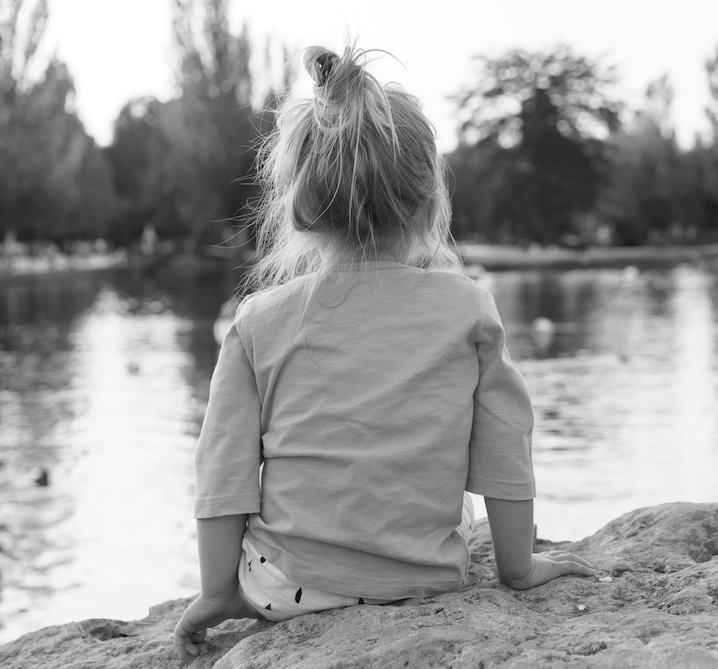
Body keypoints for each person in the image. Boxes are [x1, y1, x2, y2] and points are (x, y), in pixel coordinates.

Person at [173, 43, 594, 661]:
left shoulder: (258, 320)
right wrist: (518, 568)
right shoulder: (466, 308)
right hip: (423, 580)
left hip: (282, 589)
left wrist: (219, 593)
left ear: (299, 208)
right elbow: (505, 446)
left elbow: (223, 471)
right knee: (461, 515)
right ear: (429, 200)